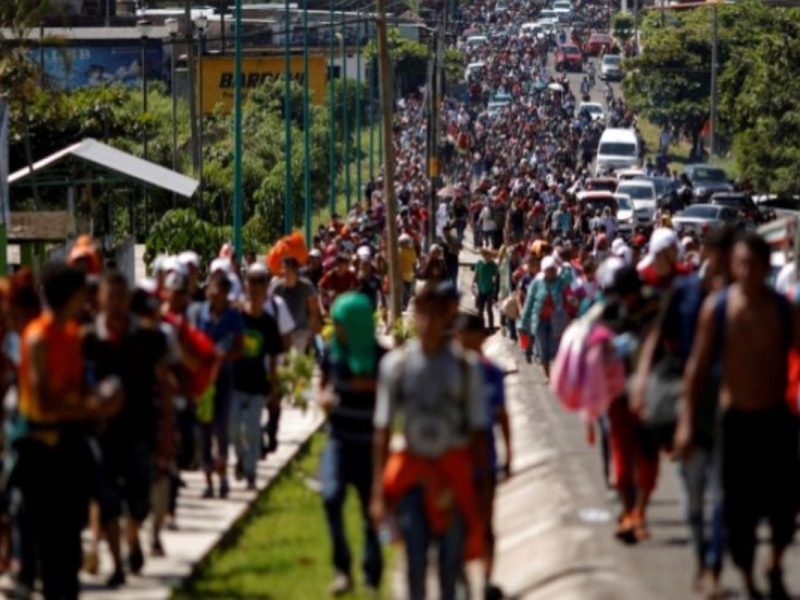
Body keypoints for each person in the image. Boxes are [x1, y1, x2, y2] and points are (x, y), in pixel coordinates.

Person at [679, 233, 799, 600]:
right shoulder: (718, 309)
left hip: (776, 419)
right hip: (734, 422)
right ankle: (738, 575)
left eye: (754, 264)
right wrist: (686, 423)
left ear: (766, 267)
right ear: (734, 266)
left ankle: (774, 563)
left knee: (784, 505)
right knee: (735, 508)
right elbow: (696, 370)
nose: (747, 271)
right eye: (741, 263)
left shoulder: (783, 310)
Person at [632, 226, 735, 597]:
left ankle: (713, 567)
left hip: (731, 405)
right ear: (706, 255)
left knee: (724, 495)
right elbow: (657, 337)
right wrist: (643, 382)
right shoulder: (686, 292)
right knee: (693, 494)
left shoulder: (746, 301)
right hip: (687, 401)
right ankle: (701, 561)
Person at [370, 285, 491, 600]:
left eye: (435, 312)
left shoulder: (466, 368)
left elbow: (479, 432)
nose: (427, 321)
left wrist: (485, 491)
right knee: (415, 562)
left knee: (451, 566)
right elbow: (382, 429)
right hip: (412, 475)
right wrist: (378, 492)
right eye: (421, 311)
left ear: (446, 315)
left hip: (453, 473)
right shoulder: (395, 367)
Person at [16, 263, 119, 599]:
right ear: (68, 296)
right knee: (49, 543)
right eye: (81, 293)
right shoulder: (37, 338)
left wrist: (103, 396)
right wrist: (92, 408)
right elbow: (44, 400)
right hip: (39, 450)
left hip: (70, 448)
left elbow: (76, 389)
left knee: (69, 544)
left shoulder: (73, 336)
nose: (86, 300)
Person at [82, 272, 171, 587]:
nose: (117, 303)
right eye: (111, 296)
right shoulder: (87, 340)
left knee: (138, 502)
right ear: (101, 299)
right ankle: (117, 563)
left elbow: (164, 386)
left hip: (140, 431)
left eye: (122, 297)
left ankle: (133, 537)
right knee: (106, 501)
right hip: (101, 435)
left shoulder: (149, 339)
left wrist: (167, 434)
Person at [319, 293, 385, 595]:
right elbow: (323, 385)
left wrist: (370, 385)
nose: (337, 328)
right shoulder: (333, 353)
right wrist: (324, 399)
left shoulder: (382, 358)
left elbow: (395, 395)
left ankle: (372, 573)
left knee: (371, 511)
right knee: (331, 498)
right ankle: (342, 567)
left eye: (342, 323)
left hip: (371, 445)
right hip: (339, 440)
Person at [454, 313, 512, 600]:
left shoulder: (492, 372)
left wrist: (509, 455)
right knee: (456, 525)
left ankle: (487, 579)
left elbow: (502, 416)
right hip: (453, 461)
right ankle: (462, 578)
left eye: (471, 336)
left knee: (486, 524)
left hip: (484, 460)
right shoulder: (447, 372)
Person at [190, 270, 244, 499]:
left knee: (221, 426)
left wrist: (224, 357)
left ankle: (222, 475)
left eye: (220, 292)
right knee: (203, 429)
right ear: (207, 291)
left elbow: (240, 347)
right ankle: (208, 480)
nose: (215, 295)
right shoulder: (199, 314)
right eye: (212, 291)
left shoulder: (233, 317)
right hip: (203, 379)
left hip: (223, 377)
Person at [231, 264, 283, 490]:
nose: (254, 289)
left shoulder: (269, 323)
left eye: (259, 284)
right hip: (234, 382)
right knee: (234, 429)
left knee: (252, 429)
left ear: (265, 290)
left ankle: (251, 473)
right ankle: (241, 457)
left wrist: (273, 389)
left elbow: (273, 359)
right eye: (251, 283)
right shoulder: (236, 317)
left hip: (257, 384)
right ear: (245, 286)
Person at [520, 256, 571, 377]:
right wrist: (523, 321)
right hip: (539, 322)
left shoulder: (559, 281)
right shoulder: (536, 283)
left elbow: (569, 277)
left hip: (556, 320)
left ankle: (555, 375)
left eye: (553, 269)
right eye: (549, 270)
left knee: (554, 349)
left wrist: (561, 264)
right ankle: (548, 375)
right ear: (544, 270)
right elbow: (529, 301)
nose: (552, 272)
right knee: (543, 349)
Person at [270, 257, 321, 354]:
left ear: (295, 270)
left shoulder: (306, 286)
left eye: (289, 269)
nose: (286, 271)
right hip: (282, 332)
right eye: (284, 268)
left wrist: (310, 333)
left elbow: (313, 311)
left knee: (295, 360)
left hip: (300, 331)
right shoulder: (276, 288)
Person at [474, 248, 500, 330]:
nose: (489, 258)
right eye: (487, 256)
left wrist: (495, 290)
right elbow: (476, 275)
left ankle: (491, 327)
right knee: (480, 309)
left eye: (490, 256)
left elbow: (496, 277)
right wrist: (473, 284)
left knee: (489, 309)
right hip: (481, 289)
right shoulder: (479, 263)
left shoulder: (493, 265)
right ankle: (480, 327)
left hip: (490, 290)